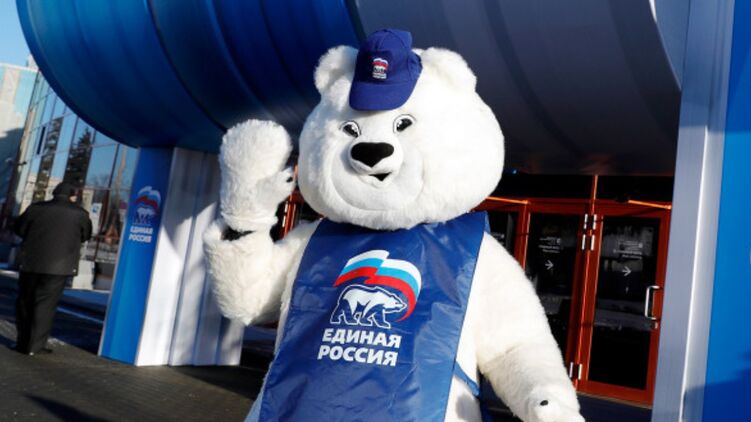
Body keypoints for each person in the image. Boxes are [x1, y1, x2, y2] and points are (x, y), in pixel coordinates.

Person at [12, 182, 92, 355]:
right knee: (45, 305)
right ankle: (34, 346)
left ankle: (22, 342)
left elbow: (19, 229)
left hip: (31, 263)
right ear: (72, 196)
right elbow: (86, 235)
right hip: (59, 267)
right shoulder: (80, 214)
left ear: (54, 193)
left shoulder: (36, 208)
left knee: (25, 302)